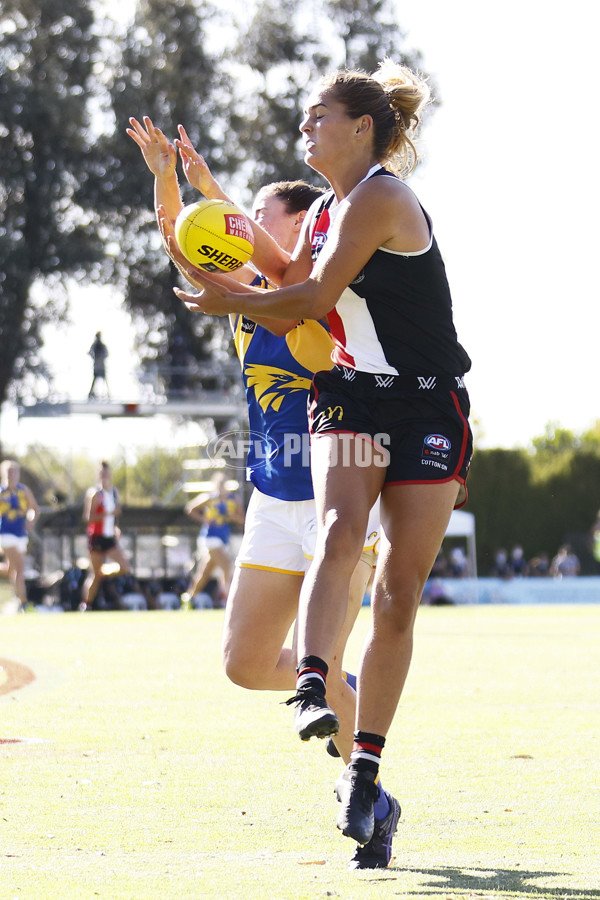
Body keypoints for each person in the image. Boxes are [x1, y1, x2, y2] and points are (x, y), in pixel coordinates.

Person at [171, 60, 473, 853]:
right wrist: (207, 200)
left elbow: (307, 299)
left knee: (401, 589)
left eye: (316, 116)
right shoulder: (322, 212)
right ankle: (313, 682)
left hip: (425, 401)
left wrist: (230, 301)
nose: (303, 128)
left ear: (362, 128)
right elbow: (280, 268)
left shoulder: (379, 197)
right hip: (349, 395)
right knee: (340, 528)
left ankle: (365, 770)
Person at [127, 116, 395, 867]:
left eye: (254, 223)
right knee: (246, 662)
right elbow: (185, 238)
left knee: (319, 660)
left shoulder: (327, 300)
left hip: (342, 495)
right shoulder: (243, 299)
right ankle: (346, 690)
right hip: (275, 498)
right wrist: (169, 178)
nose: (239, 234)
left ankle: (367, 794)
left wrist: (208, 192)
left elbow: (273, 275)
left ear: (297, 234)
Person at [184, 471, 245, 601]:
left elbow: (243, 520)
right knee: (227, 566)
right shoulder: (209, 497)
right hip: (209, 538)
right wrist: (203, 519)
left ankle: (189, 597)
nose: (221, 486)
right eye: (219, 483)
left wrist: (233, 517)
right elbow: (190, 508)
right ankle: (230, 600)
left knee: (205, 572)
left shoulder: (234, 500)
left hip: (224, 539)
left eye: (224, 483)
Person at [80, 461, 131, 611]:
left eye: (107, 473)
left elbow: (116, 515)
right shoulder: (95, 493)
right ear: (98, 475)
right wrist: (108, 514)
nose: (105, 476)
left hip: (110, 538)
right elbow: (89, 517)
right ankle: (86, 605)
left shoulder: (114, 493)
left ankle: (104, 572)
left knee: (125, 568)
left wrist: (116, 527)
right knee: (94, 575)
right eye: (102, 473)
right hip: (96, 537)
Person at [0, 459, 40, 611]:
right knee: (20, 568)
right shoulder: (1, 492)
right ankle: (23, 603)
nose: (12, 475)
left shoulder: (24, 491)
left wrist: (31, 521)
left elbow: (34, 509)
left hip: (21, 535)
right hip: (6, 534)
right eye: (9, 472)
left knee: (12, 569)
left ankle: (17, 599)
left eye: (14, 472)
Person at [88, 331, 109, 400]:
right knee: (97, 379)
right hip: (98, 365)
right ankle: (91, 393)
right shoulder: (96, 345)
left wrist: (99, 357)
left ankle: (108, 393)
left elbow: (106, 353)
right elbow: (90, 353)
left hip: (99, 365)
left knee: (102, 379)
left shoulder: (100, 345)